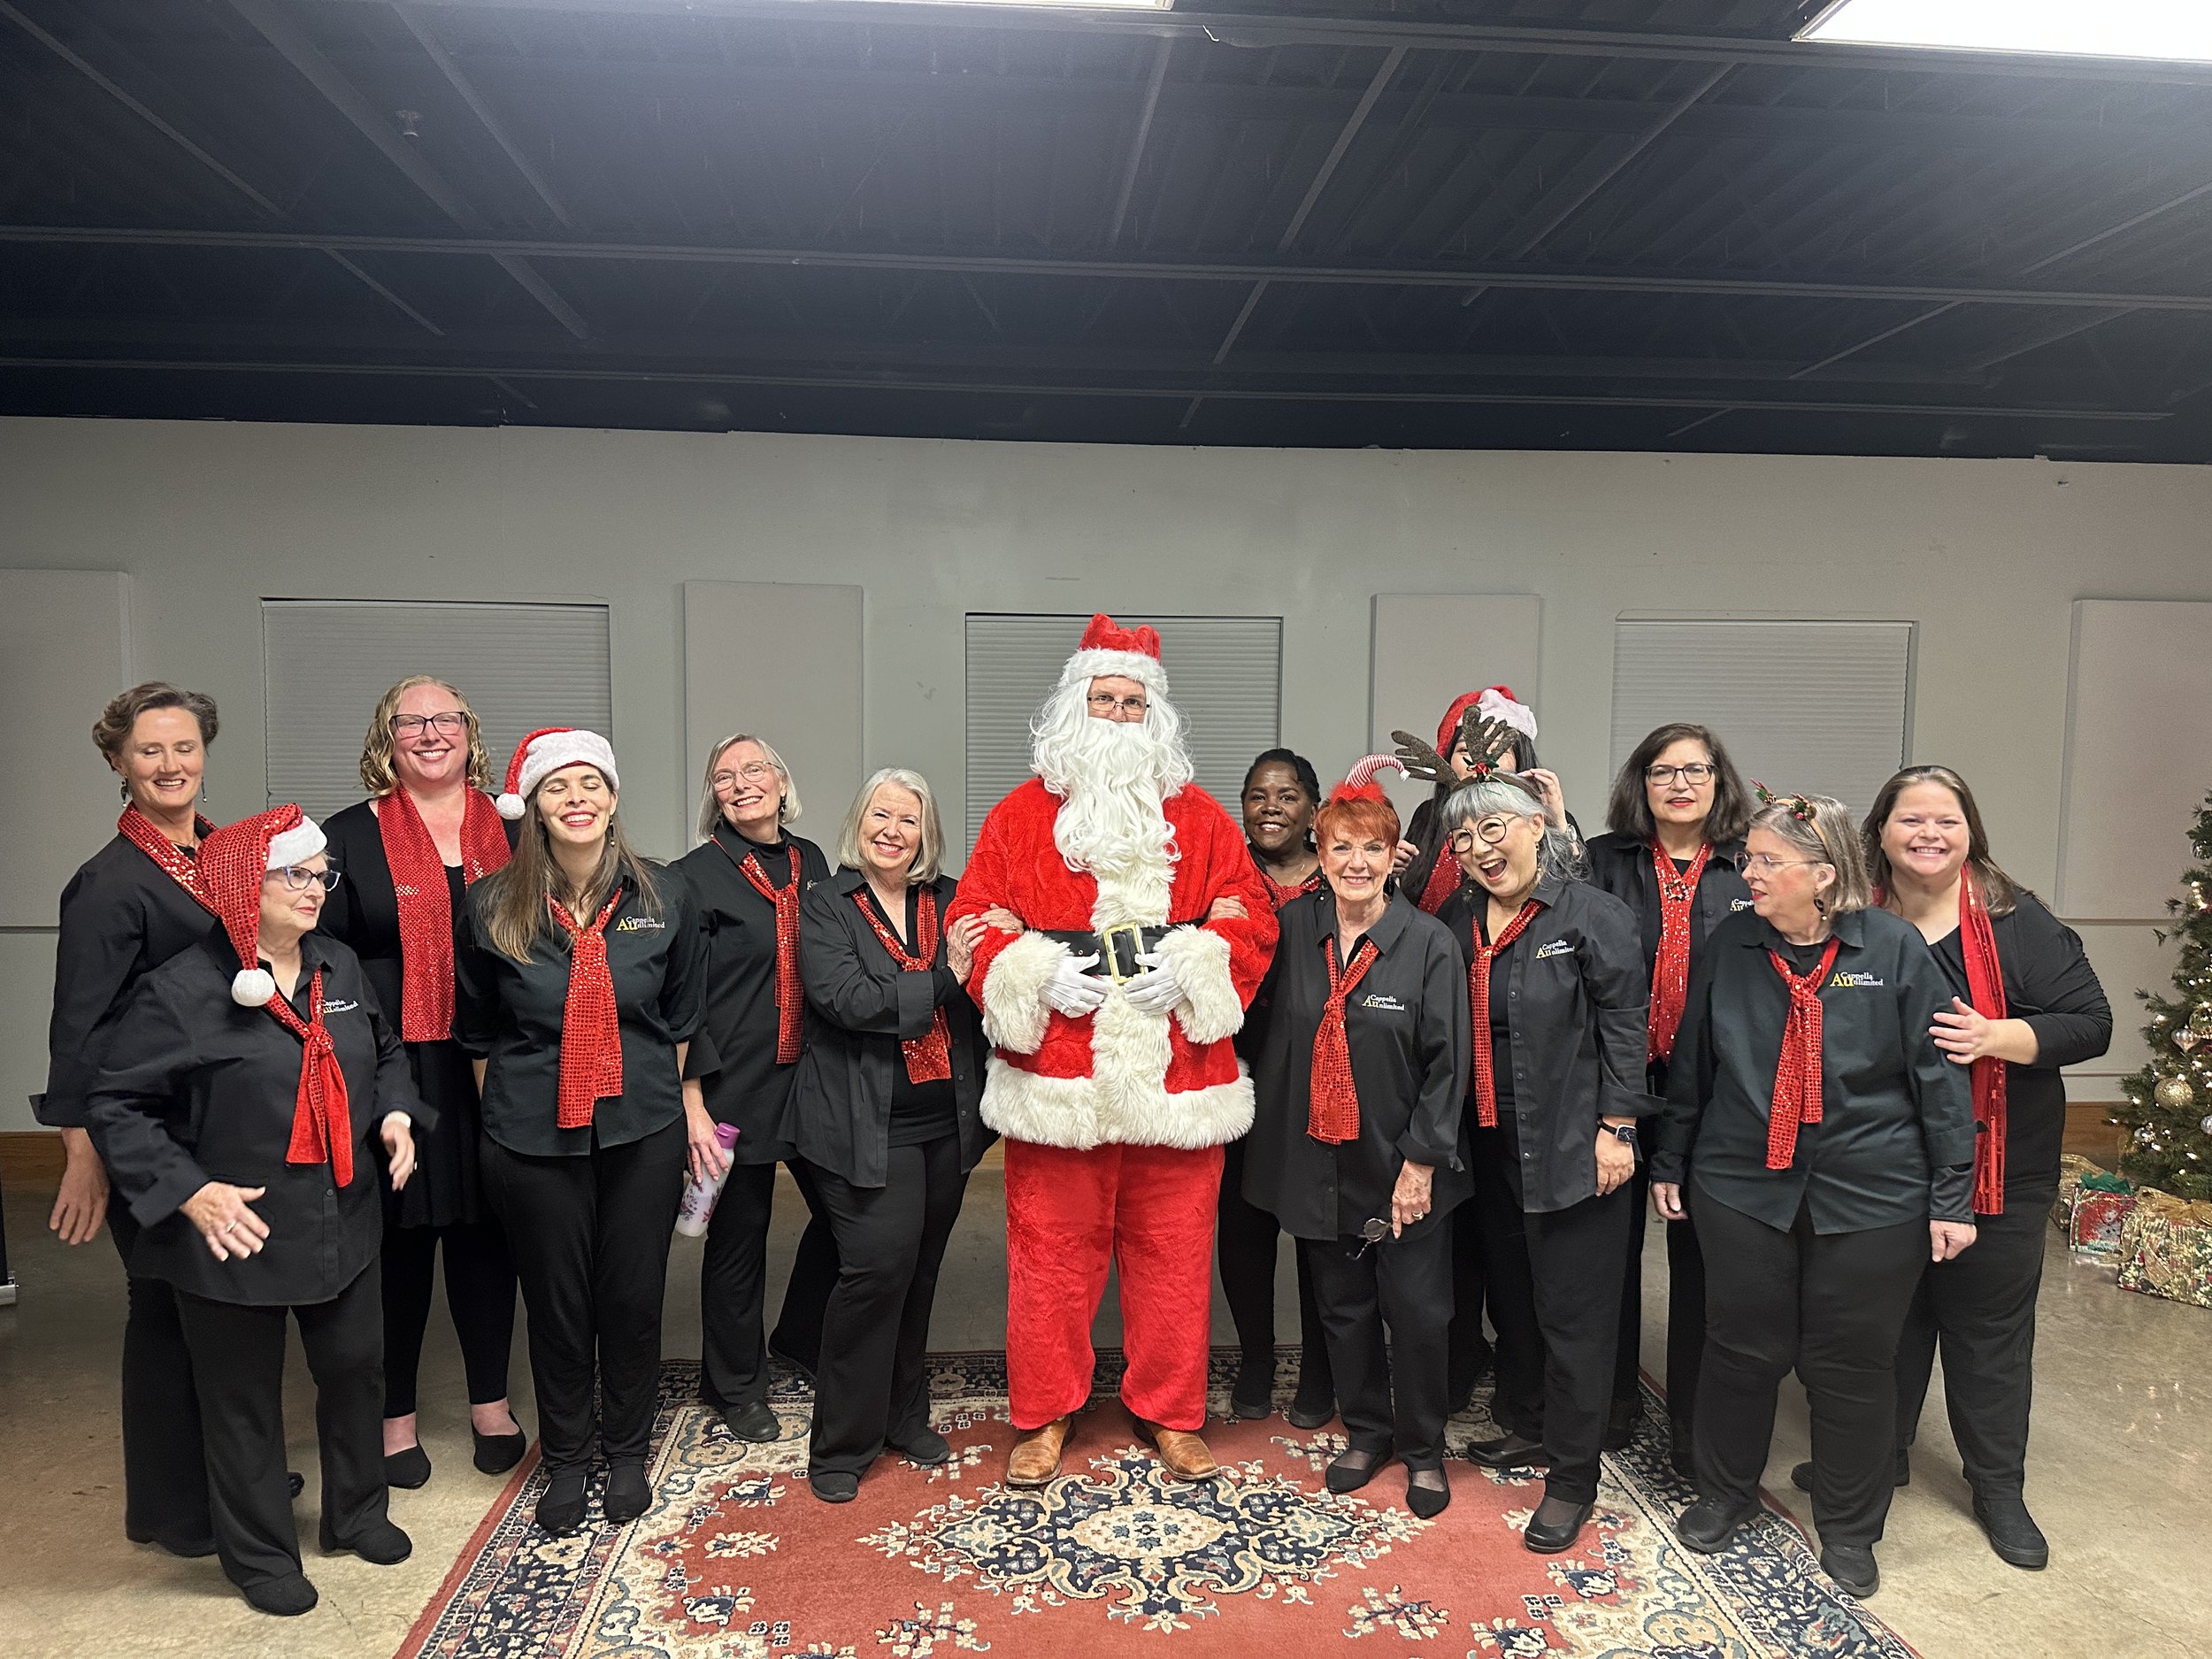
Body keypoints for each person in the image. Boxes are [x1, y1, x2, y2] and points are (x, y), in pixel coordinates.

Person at [947, 615, 1276, 1486]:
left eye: (1134, 702)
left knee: (1175, 1255)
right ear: (1075, 705)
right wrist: (1032, 970)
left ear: (1154, 714)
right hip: (1062, 1076)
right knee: (1048, 1256)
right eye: (1105, 699)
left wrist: (1197, 962)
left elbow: (1250, 913)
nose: (1120, 714)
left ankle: (1170, 1410)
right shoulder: (1019, 816)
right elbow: (971, 916)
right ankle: (1044, 1412)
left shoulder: (1201, 817)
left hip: (1177, 1077)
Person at [85, 806, 425, 1617]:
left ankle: (357, 1513)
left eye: (321, 873)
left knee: (355, 1369)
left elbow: (385, 1050)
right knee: (241, 1400)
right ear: (243, 884)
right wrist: (191, 1190)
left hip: (344, 1214)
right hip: (232, 1226)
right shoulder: (179, 990)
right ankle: (262, 1556)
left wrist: (396, 1114)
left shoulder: (339, 965)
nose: (315, 889)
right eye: (294, 874)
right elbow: (118, 1104)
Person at [1652, 789, 1976, 1601]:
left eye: (1767, 861)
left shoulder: (1894, 948)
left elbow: (1938, 1079)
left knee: (1852, 1363)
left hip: (1872, 1193)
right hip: (1741, 1184)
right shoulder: (1733, 943)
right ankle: (1724, 1494)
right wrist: (1670, 1159)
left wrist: (1952, 1195)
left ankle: (1850, 1527)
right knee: (1740, 1348)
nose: (1749, 873)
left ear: (1824, 874)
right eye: (1749, 858)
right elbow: (1694, 1063)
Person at [1805, 765, 2109, 1571]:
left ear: (1971, 830)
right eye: (1911, 819)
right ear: (1880, 832)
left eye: (1947, 819)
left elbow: (2092, 1022)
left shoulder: (2016, 920)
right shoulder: (1853, 920)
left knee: (1987, 1336)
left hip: (2001, 1167)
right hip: (1881, 1165)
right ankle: (1881, 1454)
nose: (1929, 834)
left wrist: (1994, 1036)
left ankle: (1998, 1487)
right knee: (1887, 1323)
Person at [458, 729, 706, 1535]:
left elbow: (680, 1018)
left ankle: (627, 1452)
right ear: (533, 805)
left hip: (641, 1129)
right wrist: (508, 1120)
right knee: (557, 1304)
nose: (577, 799)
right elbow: (479, 1030)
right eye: (558, 786)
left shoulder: (664, 894)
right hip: (532, 1137)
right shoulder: (491, 903)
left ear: (613, 797)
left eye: (591, 783)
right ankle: (567, 1459)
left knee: (631, 1298)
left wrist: (667, 1105)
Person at [1436, 766, 1654, 1555]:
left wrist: (1617, 1128)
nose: (1480, 847)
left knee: (1575, 1317)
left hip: (1573, 1145)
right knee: (1517, 1303)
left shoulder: (1592, 914)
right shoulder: (1458, 920)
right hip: (1489, 1147)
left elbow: (1626, 1024)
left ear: (1537, 826)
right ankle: (1530, 1424)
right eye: (1464, 836)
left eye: (1494, 827)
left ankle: (1572, 1478)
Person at [320, 676, 525, 1488]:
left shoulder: (517, 828)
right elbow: (323, 960)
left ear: (470, 733)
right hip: (391, 1064)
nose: (431, 733)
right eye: (413, 721)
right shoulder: (346, 836)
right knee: (398, 1244)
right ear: (387, 736)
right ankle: (394, 1415)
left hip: (494, 1058)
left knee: (488, 1234)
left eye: (446, 719)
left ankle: (491, 1403)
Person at [1242, 782, 1468, 1517]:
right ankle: (1368, 1432)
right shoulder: (1294, 928)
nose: (1357, 862)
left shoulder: (1428, 942)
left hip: (1401, 1165)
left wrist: (1421, 1163)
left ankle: (1424, 1449)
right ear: (1321, 852)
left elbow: (1449, 1065)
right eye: (1342, 846)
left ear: (1393, 854)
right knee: (1343, 1309)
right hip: (1320, 1161)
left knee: (1419, 1313)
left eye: (1373, 846)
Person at [37, 681, 225, 1558]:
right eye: (150, 750)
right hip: (146, 1131)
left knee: (216, 1313)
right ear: (118, 761)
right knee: (163, 1308)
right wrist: (83, 1152)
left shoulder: (221, 851)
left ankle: (224, 1475)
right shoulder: (107, 884)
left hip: (218, 1117)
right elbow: (76, 1032)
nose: (170, 764)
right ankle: (173, 1509)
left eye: (184, 746)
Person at [787, 769, 994, 1502]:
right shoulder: (826, 905)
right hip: (861, 1124)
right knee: (876, 1270)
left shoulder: (954, 900)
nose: (893, 830)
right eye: (881, 814)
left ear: (926, 833)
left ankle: (905, 1414)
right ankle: (842, 1443)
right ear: (859, 821)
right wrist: (946, 977)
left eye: (909, 819)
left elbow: (998, 976)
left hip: (949, 1123)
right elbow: (848, 999)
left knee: (920, 1271)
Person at [1388, 685, 1574, 1409]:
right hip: (1435, 1050)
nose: (1480, 761)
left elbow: (1578, 914)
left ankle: (1527, 1374)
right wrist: (1393, 874)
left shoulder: (1546, 826)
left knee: (1515, 1232)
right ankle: (1459, 1354)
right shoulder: (1427, 822)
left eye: (1499, 750)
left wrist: (1559, 826)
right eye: (1467, 748)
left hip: (1517, 1057)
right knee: (1451, 1224)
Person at [1585, 723, 1753, 1470]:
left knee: (1702, 1264)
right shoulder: (1603, 861)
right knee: (1607, 1256)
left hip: (1714, 1093)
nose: (1679, 784)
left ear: (1720, 780)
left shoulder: (1750, 865)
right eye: (1662, 771)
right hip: (1619, 1082)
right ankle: (1611, 1406)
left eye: (1695, 770)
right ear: (1641, 783)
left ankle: (1693, 1427)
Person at [669, 733, 841, 1444]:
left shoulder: (812, 861)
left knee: (849, 1216)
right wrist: (693, 1099)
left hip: (813, 1075)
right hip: (733, 1081)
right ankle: (735, 1383)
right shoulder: (690, 877)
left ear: (781, 780)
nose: (741, 783)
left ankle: (800, 1334)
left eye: (754, 769)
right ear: (714, 795)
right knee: (740, 1236)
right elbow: (680, 998)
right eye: (724, 776)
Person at [1221, 748, 1334, 1426]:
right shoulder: (1222, 877)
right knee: (1244, 1221)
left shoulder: (1345, 874)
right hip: (1239, 1070)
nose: (1271, 807)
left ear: (1313, 809)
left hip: (1324, 1075)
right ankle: (1256, 1360)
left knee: (1320, 1226)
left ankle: (1320, 1370)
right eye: (1258, 795)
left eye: (1288, 795)